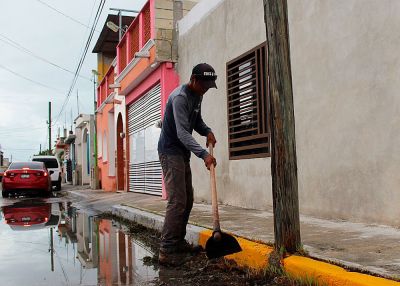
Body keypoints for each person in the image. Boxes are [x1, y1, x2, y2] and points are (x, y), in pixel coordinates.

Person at [157, 63, 218, 266]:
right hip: (170, 150)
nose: (206, 90)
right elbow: (183, 132)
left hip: (182, 151)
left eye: (209, 87)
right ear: (193, 80)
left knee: (188, 198)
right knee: (177, 200)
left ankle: (178, 241)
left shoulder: (197, 95)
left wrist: (207, 130)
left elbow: (196, 122)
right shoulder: (180, 98)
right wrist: (203, 154)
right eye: (204, 86)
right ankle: (166, 249)